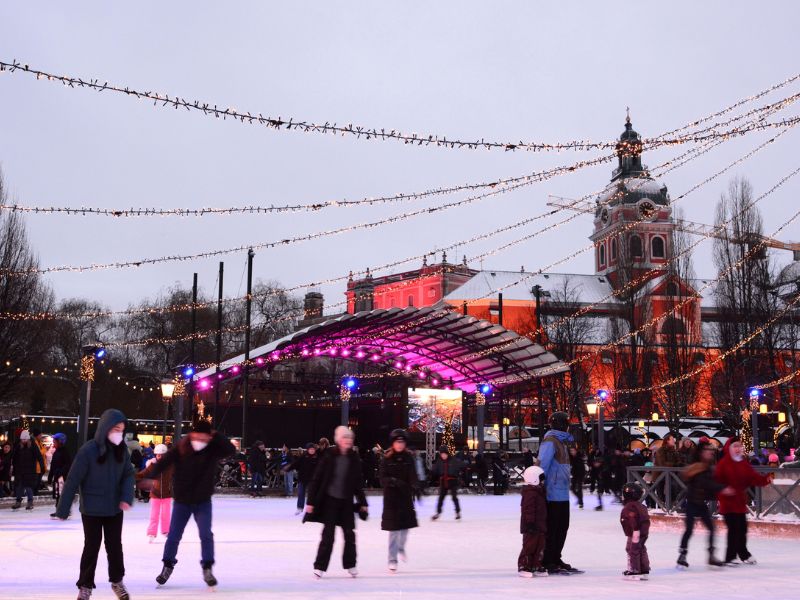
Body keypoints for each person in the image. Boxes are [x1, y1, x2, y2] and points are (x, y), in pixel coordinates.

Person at [55, 409, 135, 600]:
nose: (119, 433)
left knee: (115, 546)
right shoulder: (88, 451)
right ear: (105, 428)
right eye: (116, 429)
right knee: (92, 545)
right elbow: (73, 479)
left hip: (114, 507)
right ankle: (85, 585)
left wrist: (126, 496)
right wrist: (63, 508)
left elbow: (128, 474)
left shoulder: (121, 450)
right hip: (91, 507)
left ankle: (117, 581)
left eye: (121, 430)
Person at [149, 421, 236, 589]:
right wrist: (151, 476)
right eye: (196, 436)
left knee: (206, 534)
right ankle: (167, 566)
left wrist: (216, 434)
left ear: (209, 437)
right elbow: (164, 462)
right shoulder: (182, 447)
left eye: (203, 437)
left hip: (202, 501)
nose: (199, 440)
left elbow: (230, 450)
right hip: (182, 501)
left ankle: (207, 568)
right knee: (174, 535)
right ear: (192, 434)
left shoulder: (212, 449)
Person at [304, 426, 368, 579]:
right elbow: (317, 479)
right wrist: (310, 502)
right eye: (345, 438)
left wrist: (363, 502)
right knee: (328, 535)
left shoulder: (354, 458)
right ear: (339, 440)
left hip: (346, 502)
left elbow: (358, 483)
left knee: (349, 535)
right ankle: (319, 566)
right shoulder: (329, 456)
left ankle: (351, 564)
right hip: (330, 501)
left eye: (350, 439)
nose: (348, 441)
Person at [714, 437, 773, 565]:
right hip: (728, 503)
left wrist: (765, 480)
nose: (738, 449)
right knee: (734, 529)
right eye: (735, 446)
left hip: (740, 503)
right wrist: (723, 490)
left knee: (742, 529)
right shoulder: (723, 463)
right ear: (729, 449)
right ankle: (730, 557)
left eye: (740, 446)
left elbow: (753, 478)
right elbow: (716, 482)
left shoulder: (743, 463)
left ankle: (743, 553)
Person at [677, 441, 733, 568]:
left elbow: (710, 484)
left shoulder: (707, 466)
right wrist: (723, 488)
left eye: (711, 450)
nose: (711, 452)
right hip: (691, 502)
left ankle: (711, 556)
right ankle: (682, 555)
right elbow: (705, 483)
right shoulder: (698, 466)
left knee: (712, 528)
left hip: (700, 503)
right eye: (708, 450)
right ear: (701, 452)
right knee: (689, 530)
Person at [539, 412, 580, 574]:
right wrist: (540, 484)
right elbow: (543, 464)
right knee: (553, 527)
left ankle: (555, 557)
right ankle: (548, 559)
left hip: (562, 492)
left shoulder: (562, 442)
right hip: (552, 493)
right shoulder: (550, 441)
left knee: (563, 527)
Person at [379, 429, 421, 573]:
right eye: (397, 442)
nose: (400, 444)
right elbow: (382, 478)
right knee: (394, 530)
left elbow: (413, 475)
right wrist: (393, 481)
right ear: (393, 443)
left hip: (405, 497)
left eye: (402, 442)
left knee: (405, 528)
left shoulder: (409, 458)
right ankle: (392, 558)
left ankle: (401, 547)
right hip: (391, 498)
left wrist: (416, 486)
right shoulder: (386, 458)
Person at [137, 443, 174, 542]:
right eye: (158, 455)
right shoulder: (152, 466)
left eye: (162, 455)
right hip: (155, 494)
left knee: (166, 514)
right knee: (154, 515)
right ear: (155, 455)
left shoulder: (171, 466)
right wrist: (132, 476)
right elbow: (142, 474)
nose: (160, 457)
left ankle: (166, 531)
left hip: (167, 494)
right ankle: (152, 533)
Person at [518, 466, 548, 578]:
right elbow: (528, 509)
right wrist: (530, 523)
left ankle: (536, 565)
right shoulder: (530, 493)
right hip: (531, 526)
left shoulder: (539, 491)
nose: (543, 481)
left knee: (540, 546)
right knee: (529, 546)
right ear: (534, 478)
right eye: (541, 478)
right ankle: (524, 566)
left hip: (540, 525)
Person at [619, 482, 650, 581]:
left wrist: (635, 530)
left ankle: (635, 569)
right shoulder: (640, 505)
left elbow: (632, 519)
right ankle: (644, 569)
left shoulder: (630, 507)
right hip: (642, 532)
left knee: (632, 549)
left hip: (635, 532)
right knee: (641, 548)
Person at [11, 430, 45, 510]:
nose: (23, 441)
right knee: (19, 486)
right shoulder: (18, 446)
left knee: (28, 486)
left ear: (28, 439)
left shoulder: (33, 445)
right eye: (22, 440)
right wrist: (13, 467)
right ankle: (18, 501)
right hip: (20, 470)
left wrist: (42, 466)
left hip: (30, 471)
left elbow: (39, 456)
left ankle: (30, 502)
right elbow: (14, 456)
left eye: (24, 439)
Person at [430, 445, 461, 520]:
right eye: (441, 454)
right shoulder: (439, 461)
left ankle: (457, 512)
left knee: (454, 497)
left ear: (447, 453)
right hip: (444, 481)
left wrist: (458, 473)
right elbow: (435, 471)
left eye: (444, 454)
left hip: (452, 481)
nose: (443, 456)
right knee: (441, 498)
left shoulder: (453, 460)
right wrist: (431, 473)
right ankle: (438, 513)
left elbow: (459, 466)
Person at [290, 442, 319, 515]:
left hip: (311, 480)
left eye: (313, 449)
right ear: (308, 450)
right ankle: (300, 508)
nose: (312, 450)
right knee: (300, 494)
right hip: (302, 479)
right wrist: (288, 468)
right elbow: (296, 464)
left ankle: (311, 509)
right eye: (311, 449)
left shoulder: (317, 458)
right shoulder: (303, 457)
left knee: (311, 495)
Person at [49, 432, 72, 508]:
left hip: (62, 477)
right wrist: (50, 476)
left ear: (60, 442)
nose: (53, 443)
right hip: (57, 476)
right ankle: (59, 509)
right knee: (57, 494)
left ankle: (63, 510)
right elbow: (52, 465)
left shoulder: (65, 452)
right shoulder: (56, 452)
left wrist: (61, 472)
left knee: (61, 494)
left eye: (54, 442)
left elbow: (68, 464)